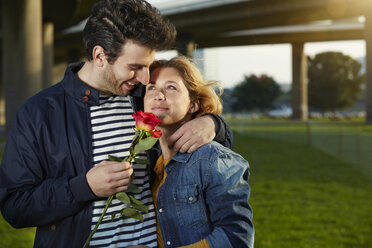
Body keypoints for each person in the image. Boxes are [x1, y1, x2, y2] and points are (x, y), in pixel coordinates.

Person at [0, 1, 232, 247]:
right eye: (135, 68)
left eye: (147, 67)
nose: (145, 78)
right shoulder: (40, 113)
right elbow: (15, 207)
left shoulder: (145, 97)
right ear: (100, 56)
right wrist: (85, 187)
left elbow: (211, 152)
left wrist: (214, 124)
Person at [144, 57, 254, 248]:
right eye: (151, 87)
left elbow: (237, 237)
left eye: (171, 87)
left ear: (193, 105)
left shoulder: (213, 159)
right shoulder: (146, 161)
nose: (158, 95)